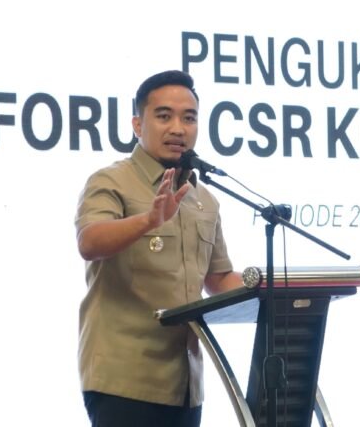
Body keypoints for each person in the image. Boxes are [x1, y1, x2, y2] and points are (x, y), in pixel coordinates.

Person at [74, 69, 244, 427]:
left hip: (186, 383)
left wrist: (272, 283)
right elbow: (90, 242)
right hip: (125, 380)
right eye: (164, 116)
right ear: (138, 124)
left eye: (189, 118)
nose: (178, 129)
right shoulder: (111, 181)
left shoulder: (204, 199)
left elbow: (218, 279)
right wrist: (149, 220)